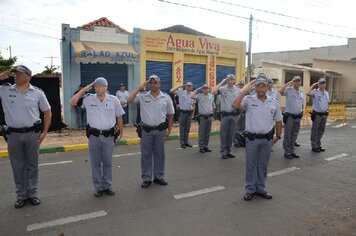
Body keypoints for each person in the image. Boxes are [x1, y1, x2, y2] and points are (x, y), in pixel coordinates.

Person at [0, 65, 52, 209]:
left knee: (32, 166)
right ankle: (21, 196)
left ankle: (33, 194)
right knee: (17, 166)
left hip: (32, 135)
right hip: (13, 135)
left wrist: (44, 133)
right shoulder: (5, 90)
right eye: (15, 73)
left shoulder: (37, 93)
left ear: (28, 76)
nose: (16, 75)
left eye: (19, 73)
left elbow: (47, 113)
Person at [70, 77, 124, 197]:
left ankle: (107, 186)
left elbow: (119, 116)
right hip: (94, 136)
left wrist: (121, 132)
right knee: (95, 163)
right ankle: (98, 187)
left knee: (107, 162)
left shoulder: (113, 100)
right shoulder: (88, 99)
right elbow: (73, 102)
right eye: (96, 86)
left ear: (106, 87)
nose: (98, 88)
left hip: (108, 136)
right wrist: (84, 89)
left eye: (101, 86)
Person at [232, 75, 282, 201]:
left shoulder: (273, 101)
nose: (261, 88)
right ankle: (250, 189)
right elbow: (235, 104)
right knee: (251, 165)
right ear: (255, 87)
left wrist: (278, 136)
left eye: (263, 86)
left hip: (267, 140)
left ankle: (260, 188)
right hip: (252, 140)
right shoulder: (248, 99)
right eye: (258, 86)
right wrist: (244, 90)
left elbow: (278, 120)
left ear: (267, 87)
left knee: (263, 165)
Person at [128, 75, 174, 188]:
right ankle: (146, 178)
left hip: (160, 131)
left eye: (155, 82)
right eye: (151, 83)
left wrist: (169, 130)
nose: (153, 85)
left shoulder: (166, 97)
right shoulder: (143, 96)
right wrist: (139, 88)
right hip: (146, 131)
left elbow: (171, 114)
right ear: (149, 84)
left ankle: (159, 177)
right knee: (146, 155)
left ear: (159, 84)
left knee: (160, 155)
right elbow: (129, 100)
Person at [212, 74, 240, 159]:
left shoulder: (238, 90)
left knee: (231, 134)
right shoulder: (222, 89)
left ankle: (229, 151)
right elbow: (213, 92)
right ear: (226, 81)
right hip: (225, 115)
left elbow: (240, 101)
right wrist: (222, 81)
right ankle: (223, 151)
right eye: (228, 80)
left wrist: (239, 114)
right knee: (224, 134)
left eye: (232, 79)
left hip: (234, 115)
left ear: (234, 81)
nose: (230, 81)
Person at [279, 76, 304, 159]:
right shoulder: (289, 91)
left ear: (300, 82)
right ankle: (287, 151)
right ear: (293, 82)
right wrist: (288, 83)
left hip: (298, 116)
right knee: (288, 135)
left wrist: (301, 112)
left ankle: (292, 150)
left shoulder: (301, 92)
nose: (297, 82)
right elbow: (280, 91)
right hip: (290, 116)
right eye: (295, 81)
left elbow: (301, 104)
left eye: (298, 81)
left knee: (294, 134)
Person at [306, 78, 329, 153]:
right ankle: (314, 146)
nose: (323, 84)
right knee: (315, 130)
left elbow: (326, 103)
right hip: (317, 115)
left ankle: (318, 144)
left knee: (321, 131)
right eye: (321, 83)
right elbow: (308, 93)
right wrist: (312, 85)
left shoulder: (326, 93)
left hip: (324, 114)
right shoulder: (315, 92)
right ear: (318, 84)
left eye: (324, 83)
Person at [191, 84, 215, 153]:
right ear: (202, 90)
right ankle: (201, 147)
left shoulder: (211, 96)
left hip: (209, 116)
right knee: (202, 132)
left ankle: (206, 146)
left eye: (206, 88)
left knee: (207, 132)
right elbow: (191, 96)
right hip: (202, 117)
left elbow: (213, 106)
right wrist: (197, 89)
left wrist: (213, 115)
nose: (205, 90)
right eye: (204, 88)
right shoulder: (199, 96)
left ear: (208, 89)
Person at [170, 82, 195, 148]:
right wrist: (180, 86)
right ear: (185, 86)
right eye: (187, 86)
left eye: (190, 86)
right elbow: (171, 91)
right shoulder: (181, 92)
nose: (188, 87)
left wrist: (193, 115)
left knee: (187, 129)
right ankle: (182, 143)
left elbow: (194, 105)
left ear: (192, 87)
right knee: (182, 129)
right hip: (183, 113)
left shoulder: (193, 94)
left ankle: (186, 142)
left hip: (189, 113)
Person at [234, 80, 246, 148]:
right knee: (236, 128)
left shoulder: (245, 92)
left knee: (243, 128)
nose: (241, 86)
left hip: (244, 112)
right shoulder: (236, 92)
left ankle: (241, 141)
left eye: (242, 84)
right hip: (237, 113)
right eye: (240, 84)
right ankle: (236, 141)